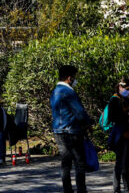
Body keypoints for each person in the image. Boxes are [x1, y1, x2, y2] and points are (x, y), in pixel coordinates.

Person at [52, 64, 93, 193]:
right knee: (79, 163)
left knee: (65, 164)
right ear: (69, 78)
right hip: (72, 131)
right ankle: (81, 190)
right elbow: (79, 112)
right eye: (74, 77)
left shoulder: (54, 91)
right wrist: (88, 123)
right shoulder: (69, 92)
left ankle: (67, 190)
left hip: (58, 131)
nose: (75, 79)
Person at [106, 78, 129, 193]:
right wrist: (126, 114)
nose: (128, 91)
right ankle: (116, 188)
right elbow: (112, 118)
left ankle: (127, 187)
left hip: (128, 133)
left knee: (126, 162)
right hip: (120, 134)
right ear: (120, 87)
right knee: (119, 162)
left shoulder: (127, 99)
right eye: (127, 89)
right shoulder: (114, 100)